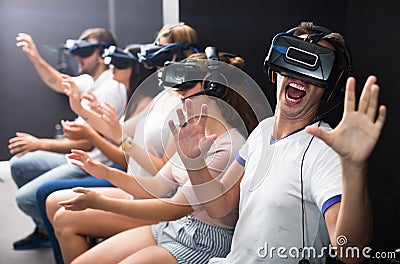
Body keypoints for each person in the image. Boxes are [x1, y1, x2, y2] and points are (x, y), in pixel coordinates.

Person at [169, 21, 386, 264]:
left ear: (330, 88)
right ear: (275, 70)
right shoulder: (263, 130)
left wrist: (354, 169)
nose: (301, 73)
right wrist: (195, 162)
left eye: (315, 66)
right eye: (293, 59)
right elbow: (220, 207)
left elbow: (350, 252)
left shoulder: (325, 150)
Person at [48, 51, 262, 263]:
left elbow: (174, 207)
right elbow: (158, 185)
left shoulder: (229, 145)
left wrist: (100, 202)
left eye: (185, 89)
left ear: (213, 86)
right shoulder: (193, 132)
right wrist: (103, 170)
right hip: (174, 225)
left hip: (201, 240)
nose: (180, 97)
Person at [40, 23, 200, 263]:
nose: (156, 60)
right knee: (55, 202)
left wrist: (116, 141)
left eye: (163, 53)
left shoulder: (186, 106)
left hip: (157, 199)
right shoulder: (161, 95)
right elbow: (121, 134)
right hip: (142, 186)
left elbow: (158, 173)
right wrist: (80, 108)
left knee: (61, 212)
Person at [9, 27, 127, 250]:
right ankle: (45, 229)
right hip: (77, 156)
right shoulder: (91, 80)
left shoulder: (110, 87)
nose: (77, 58)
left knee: (25, 199)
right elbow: (56, 81)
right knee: (19, 166)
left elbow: (88, 142)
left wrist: (38, 144)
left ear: (102, 55)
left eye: (84, 52)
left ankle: (80, 231)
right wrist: (35, 56)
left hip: (93, 162)